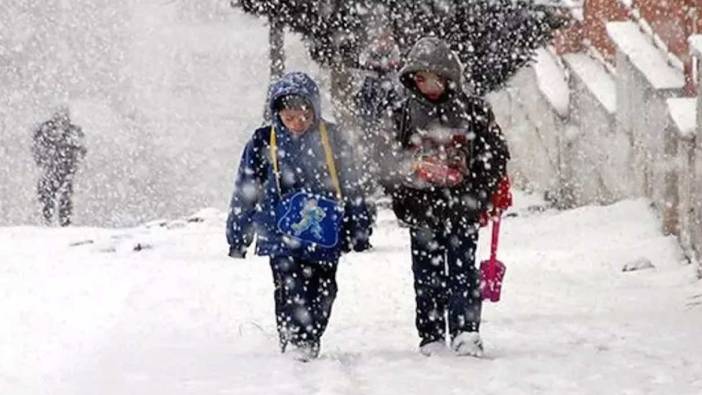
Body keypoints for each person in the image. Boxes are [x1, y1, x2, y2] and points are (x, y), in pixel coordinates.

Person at [226, 71, 372, 362]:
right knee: (289, 285)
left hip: (324, 232)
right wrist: (239, 235)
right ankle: (294, 338)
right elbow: (246, 188)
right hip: (279, 232)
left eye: (304, 116)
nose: (297, 123)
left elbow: (352, 184)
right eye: (289, 117)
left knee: (324, 288)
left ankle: (310, 335)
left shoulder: (333, 139)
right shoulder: (262, 140)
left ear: (314, 110)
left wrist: (359, 227)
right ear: (277, 113)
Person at [380, 37, 511, 357]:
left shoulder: (474, 110)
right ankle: (431, 334)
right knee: (427, 274)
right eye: (421, 79)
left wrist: (480, 188)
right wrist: (411, 174)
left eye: (436, 78)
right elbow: (385, 161)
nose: (429, 86)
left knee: (463, 271)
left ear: (450, 76)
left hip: (462, 207)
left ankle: (467, 330)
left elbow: (494, 154)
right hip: (421, 208)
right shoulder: (402, 113)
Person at [31, 106, 87, 226]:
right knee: (50, 194)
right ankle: (50, 220)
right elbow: (37, 148)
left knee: (62, 195)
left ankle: (59, 221)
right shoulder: (47, 131)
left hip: (61, 169)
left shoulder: (71, 132)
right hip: (55, 169)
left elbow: (81, 150)